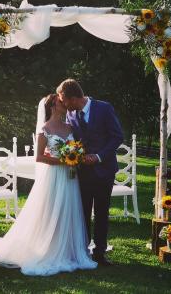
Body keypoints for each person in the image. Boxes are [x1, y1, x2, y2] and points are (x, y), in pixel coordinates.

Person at [0, 94, 97, 276]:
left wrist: (75, 156)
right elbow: (39, 157)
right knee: (51, 209)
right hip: (53, 176)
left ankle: (68, 248)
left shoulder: (69, 127)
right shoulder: (44, 129)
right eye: (62, 101)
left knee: (67, 210)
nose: (66, 104)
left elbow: (77, 147)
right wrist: (63, 160)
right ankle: (49, 247)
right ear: (54, 104)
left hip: (70, 177)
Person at [57, 79, 123, 266]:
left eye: (64, 100)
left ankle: (100, 253)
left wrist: (99, 156)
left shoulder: (104, 108)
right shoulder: (71, 114)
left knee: (102, 212)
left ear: (74, 98)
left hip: (104, 171)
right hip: (83, 172)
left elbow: (117, 136)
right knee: (83, 212)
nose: (63, 104)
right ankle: (82, 251)